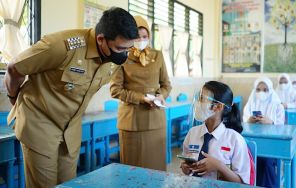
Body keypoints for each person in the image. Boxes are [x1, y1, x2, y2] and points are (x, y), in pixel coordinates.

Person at [4, 7, 138, 188]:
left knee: (69, 184)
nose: (125, 54)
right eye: (120, 48)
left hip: (70, 131)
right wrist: (14, 98)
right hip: (40, 125)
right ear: (101, 40)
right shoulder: (61, 46)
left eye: (129, 49)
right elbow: (14, 68)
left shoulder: (114, 59)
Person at [110, 15, 172, 171]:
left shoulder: (157, 55)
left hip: (155, 119)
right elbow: (115, 90)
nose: (141, 40)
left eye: (144, 36)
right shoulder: (121, 56)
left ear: (149, 37)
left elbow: (166, 85)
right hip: (131, 121)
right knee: (133, 167)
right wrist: (141, 98)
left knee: (155, 167)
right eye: (137, 37)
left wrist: (160, 96)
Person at [180, 81, 255, 185]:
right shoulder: (193, 133)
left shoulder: (235, 140)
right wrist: (186, 168)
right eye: (198, 98)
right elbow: (186, 165)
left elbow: (242, 183)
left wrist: (219, 166)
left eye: (202, 99)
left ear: (219, 107)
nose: (198, 103)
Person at [243, 77, 285, 187]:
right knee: (245, 160)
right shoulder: (250, 103)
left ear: (270, 90)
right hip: (252, 141)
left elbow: (282, 128)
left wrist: (271, 122)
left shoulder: (278, 106)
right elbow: (244, 123)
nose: (261, 92)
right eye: (258, 89)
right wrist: (249, 121)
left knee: (265, 162)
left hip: (271, 144)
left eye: (265, 90)